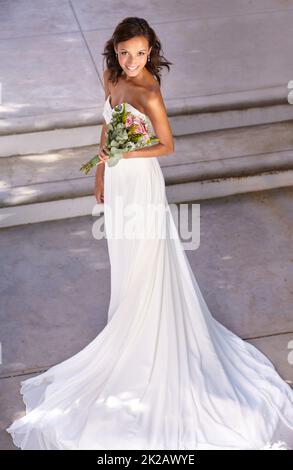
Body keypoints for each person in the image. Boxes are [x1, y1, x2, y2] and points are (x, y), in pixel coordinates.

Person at [6, 16, 293, 450]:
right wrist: (101, 170)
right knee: (123, 258)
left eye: (140, 53)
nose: (132, 60)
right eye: (125, 52)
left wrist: (128, 150)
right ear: (115, 52)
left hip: (141, 181)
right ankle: (124, 322)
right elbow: (107, 126)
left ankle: (145, 337)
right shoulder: (111, 78)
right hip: (119, 181)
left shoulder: (150, 90)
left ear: (150, 53)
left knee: (147, 258)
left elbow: (167, 145)